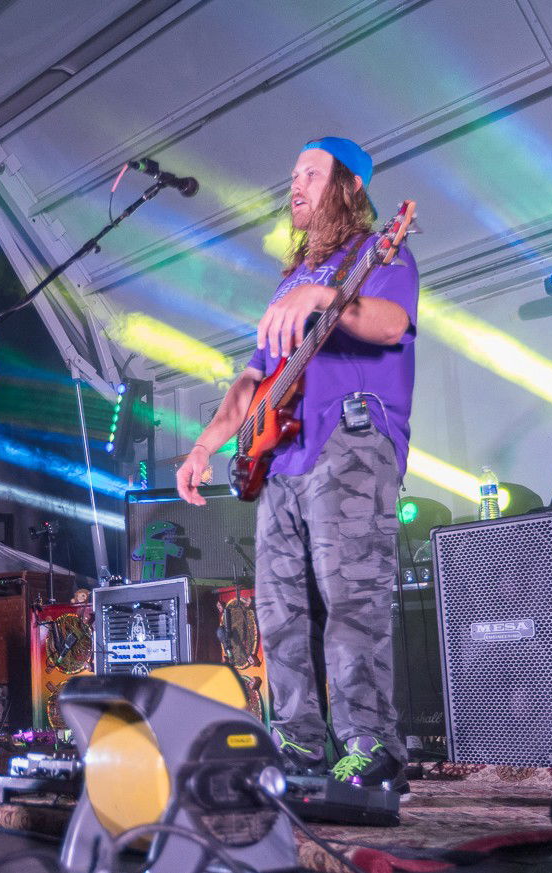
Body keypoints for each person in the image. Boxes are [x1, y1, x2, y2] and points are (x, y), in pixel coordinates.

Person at [176, 138, 419, 789]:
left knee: (351, 599)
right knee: (280, 611)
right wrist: (204, 446)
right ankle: (301, 743)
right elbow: (252, 381)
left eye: (311, 172)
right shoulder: (289, 283)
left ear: (348, 185)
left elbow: (390, 324)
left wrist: (321, 297)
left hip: (351, 441)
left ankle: (371, 744)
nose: (296, 184)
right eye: (293, 175)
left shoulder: (377, 252)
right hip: (282, 460)